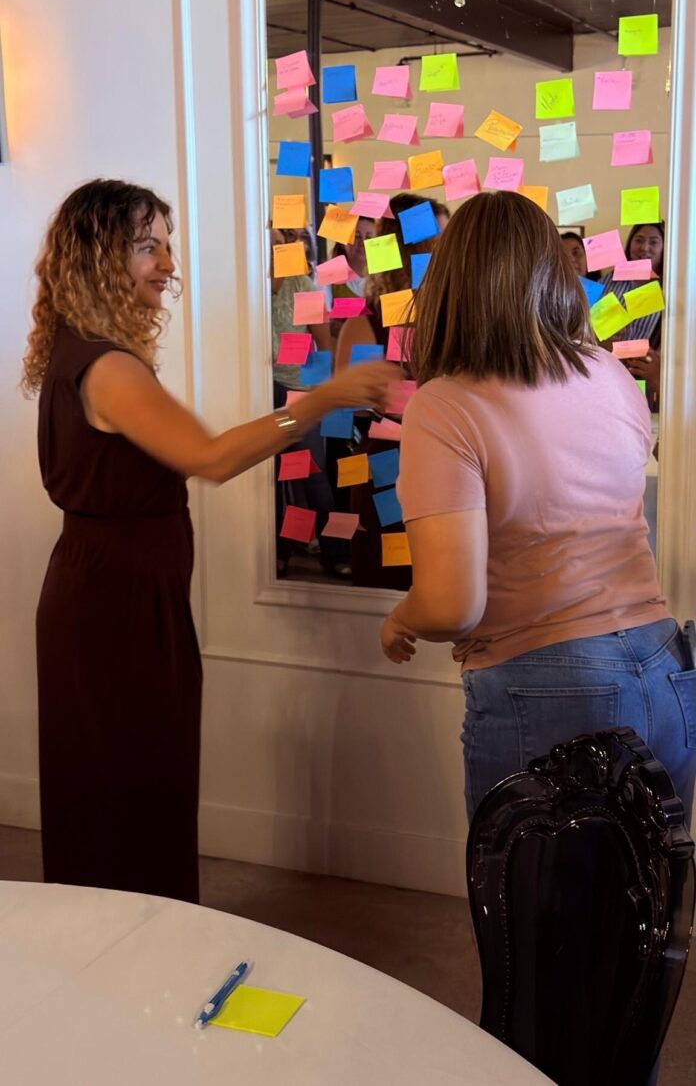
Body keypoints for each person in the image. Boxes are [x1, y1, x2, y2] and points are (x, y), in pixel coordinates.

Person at [22, 178, 394, 903]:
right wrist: (321, 399)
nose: (166, 262)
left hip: (113, 596)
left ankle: (120, 948)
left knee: (123, 790)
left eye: (167, 245)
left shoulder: (83, 353)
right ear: (99, 256)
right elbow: (213, 457)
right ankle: (132, 959)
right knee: (125, 794)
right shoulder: (106, 365)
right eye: (145, 246)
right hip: (114, 608)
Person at [378, 191, 696, 829]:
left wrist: (402, 620)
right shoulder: (609, 373)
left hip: (547, 677)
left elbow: (450, 603)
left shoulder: (445, 405)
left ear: (449, 284)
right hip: (665, 666)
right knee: (648, 914)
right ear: (556, 273)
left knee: (538, 920)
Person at [334, 195, 448, 590]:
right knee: (393, 571)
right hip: (392, 464)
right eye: (441, 239)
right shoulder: (369, 319)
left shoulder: (454, 316)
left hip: (448, 461)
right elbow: (347, 401)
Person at [270, 227, 348, 578]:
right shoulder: (244, 285)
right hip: (255, 393)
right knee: (266, 480)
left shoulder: (301, 284)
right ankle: (277, 552)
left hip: (297, 393)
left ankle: (335, 551)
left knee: (313, 473)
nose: (272, 250)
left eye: (277, 243)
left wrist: (320, 397)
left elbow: (324, 344)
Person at [606, 222, 665, 408]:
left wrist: (660, 374)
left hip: (648, 378)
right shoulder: (611, 280)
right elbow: (587, 322)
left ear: (664, 248)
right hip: (609, 373)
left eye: (653, 242)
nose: (644, 248)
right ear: (630, 243)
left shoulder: (672, 288)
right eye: (638, 240)